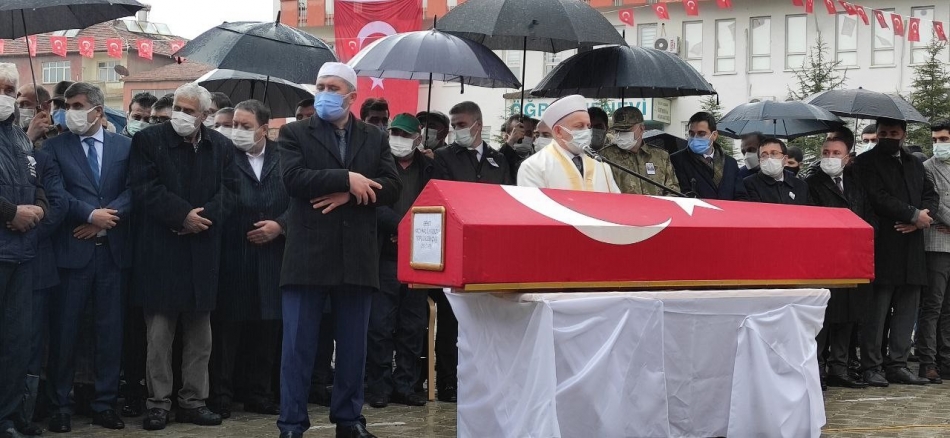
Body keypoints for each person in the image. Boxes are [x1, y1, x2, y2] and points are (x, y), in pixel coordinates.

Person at [277, 62, 400, 438]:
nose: (325, 93)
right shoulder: (295, 132)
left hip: (357, 257)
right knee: (298, 347)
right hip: (308, 256)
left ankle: (349, 419)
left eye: (333, 88)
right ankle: (292, 423)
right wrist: (346, 178)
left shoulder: (374, 137)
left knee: (352, 348)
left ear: (352, 96)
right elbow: (293, 180)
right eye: (320, 86)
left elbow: (393, 185)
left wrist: (351, 193)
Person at [129, 83, 237, 430]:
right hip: (161, 252)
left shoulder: (221, 146)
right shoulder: (148, 140)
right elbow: (144, 187)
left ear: (205, 115)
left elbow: (231, 190)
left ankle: (193, 400)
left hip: (202, 251)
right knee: (159, 337)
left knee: (200, 337)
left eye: (190, 111)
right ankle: (158, 403)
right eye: (178, 107)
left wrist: (203, 219)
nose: (181, 115)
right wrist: (181, 216)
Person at [42, 82, 132, 432]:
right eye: (67, 106)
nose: (70, 112)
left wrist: (106, 219)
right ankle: (60, 405)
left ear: (98, 110)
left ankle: (104, 403)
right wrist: (90, 215)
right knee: (65, 332)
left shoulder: (124, 146)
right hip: (71, 254)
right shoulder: (54, 147)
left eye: (78, 106)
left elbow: (134, 189)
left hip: (112, 254)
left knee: (110, 332)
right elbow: (56, 192)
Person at [209, 100, 287, 418]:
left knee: (267, 330)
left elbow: (301, 199)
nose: (236, 131)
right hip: (233, 253)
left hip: (273, 256)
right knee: (227, 332)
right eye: (233, 125)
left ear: (264, 129)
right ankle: (221, 394)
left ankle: (260, 393)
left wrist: (280, 226)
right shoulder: (223, 155)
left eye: (245, 126)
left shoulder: (285, 157)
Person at [855, 117, 938, 387]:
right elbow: (877, 197)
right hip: (883, 244)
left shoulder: (914, 163)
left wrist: (922, 217)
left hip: (912, 246)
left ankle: (898, 364)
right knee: (877, 311)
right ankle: (871, 365)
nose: (888, 137)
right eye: (883, 133)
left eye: (894, 133)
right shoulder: (866, 162)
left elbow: (930, 194)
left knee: (906, 308)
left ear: (903, 134)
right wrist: (911, 214)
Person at [365, 113, 432, 409]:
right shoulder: (378, 164)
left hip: (420, 258)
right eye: (395, 133)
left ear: (418, 138)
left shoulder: (430, 167)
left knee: (412, 325)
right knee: (380, 325)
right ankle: (378, 387)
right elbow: (372, 203)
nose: (399, 139)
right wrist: (401, 227)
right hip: (384, 256)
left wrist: (414, 231)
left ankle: (405, 385)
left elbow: (439, 202)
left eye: (405, 134)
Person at [0, 62, 48, 438]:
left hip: (22, 254)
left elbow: (37, 183)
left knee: (17, 342)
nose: (4, 97)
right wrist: (10, 213)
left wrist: (39, 209)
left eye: (8, 91)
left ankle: (10, 415)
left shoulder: (19, 136)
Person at [806, 135, 873, 389]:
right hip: (824, 258)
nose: (830, 157)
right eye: (826, 152)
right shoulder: (811, 183)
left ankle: (840, 367)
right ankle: (817, 368)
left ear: (847, 158)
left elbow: (868, 216)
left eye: (836, 153)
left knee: (847, 313)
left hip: (852, 258)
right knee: (823, 315)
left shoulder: (856, 184)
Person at [517, 95, 618, 192]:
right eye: (579, 126)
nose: (587, 131)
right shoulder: (534, 166)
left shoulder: (601, 165)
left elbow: (614, 201)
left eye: (588, 126)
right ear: (558, 131)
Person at [916, 120, 950, 383]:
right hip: (936, 244)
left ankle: (946, 360)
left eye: (943, 139)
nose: (938, 144)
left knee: (948, 308)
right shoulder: (927, 167)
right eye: (935, 140)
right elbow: (934, 203)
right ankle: (927, 361)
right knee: (933, 306)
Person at [599, 106, 679, 196]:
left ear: (641, 129)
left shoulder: (660, 156)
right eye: (618, 130)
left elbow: (673, 191)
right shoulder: (605, 157)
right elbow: (600, 192)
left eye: (626, 130)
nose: (621, 134)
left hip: (655, 205)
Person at [670, 112, 747, 200]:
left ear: (714, 135)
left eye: (701, 134)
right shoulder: (677, 160)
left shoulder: (730, 163)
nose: (695, 138)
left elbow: (741, 196)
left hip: (727, 209)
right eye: (691, 134)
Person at [743, 138, 809, 205]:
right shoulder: (749, 184)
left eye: (774, 153)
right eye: (764, 155)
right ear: (759, 161)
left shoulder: (801, 185)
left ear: (785, 159)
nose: (769, 159)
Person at [498, 114, 538, 181]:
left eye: (528, 133)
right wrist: (511, 142)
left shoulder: (539, 158)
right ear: (508, 136)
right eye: (517, 133)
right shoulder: (498, 157)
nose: (523, 137)